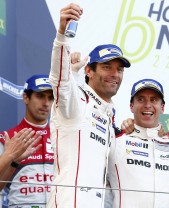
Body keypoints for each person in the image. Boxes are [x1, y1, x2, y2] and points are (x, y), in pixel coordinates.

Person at [47, 3, 131, 208]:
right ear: (89, 71)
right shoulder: (78, 101)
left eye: (119, 69)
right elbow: (60, 81)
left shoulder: (107, 114)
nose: (115, 74)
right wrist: (62, 36)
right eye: (106, 67)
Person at [107, 78, 169, 207]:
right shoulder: (116, 139)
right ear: (131, 106)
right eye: (141, 99)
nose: (147, 105)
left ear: (162, 107)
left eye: (153, 100)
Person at [0, 74, 54, 208]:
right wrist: (11, 159)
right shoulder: (8, 138)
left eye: (50, 98)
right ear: (26, 97)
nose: (46, 103)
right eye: (40, 96)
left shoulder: (60, 137)